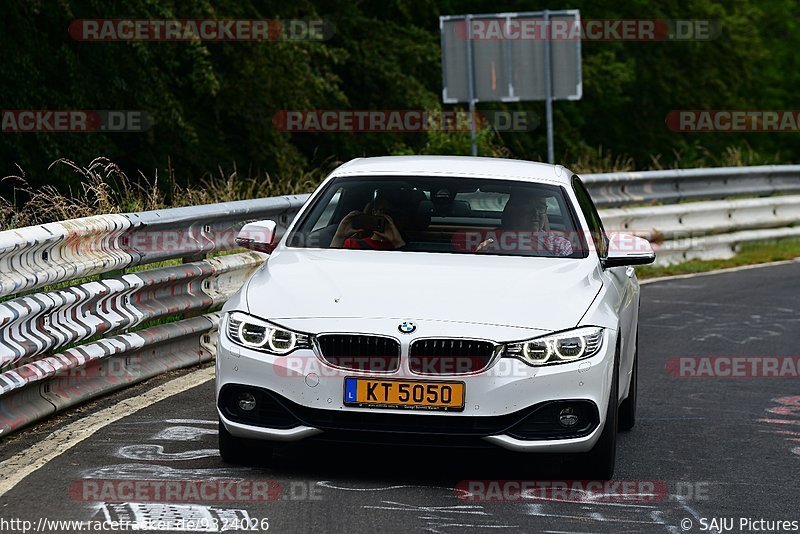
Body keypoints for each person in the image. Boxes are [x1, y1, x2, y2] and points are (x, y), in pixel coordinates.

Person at [476, 192, 573, 256]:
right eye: (528, 207)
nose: (536, 213)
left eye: (541, 207)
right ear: (512, 211)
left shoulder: (559, 245)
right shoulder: (491, 244)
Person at [330, 193, 407, 250]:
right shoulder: (353, 244)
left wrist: (398, 242)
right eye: (382, 211)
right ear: (373, 212)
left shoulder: (412, 248)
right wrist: (339, 237)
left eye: (391, 213)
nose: (386, 217)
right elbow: (332, 266)